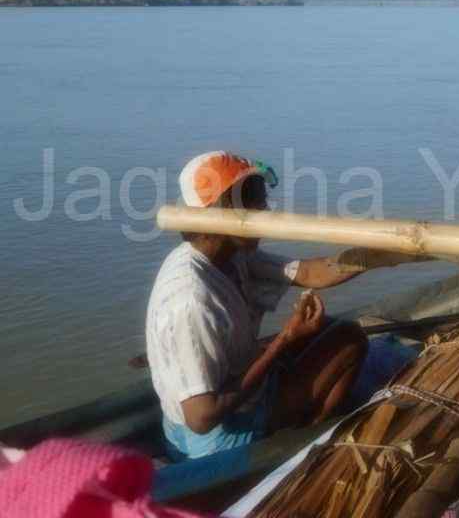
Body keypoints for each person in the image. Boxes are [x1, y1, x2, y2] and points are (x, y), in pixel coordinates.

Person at [146, 151, 370, 461]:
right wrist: (285, 339)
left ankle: (296, 416)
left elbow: (307, 272)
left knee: (329, 328)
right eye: (258, 204)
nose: (266, 213)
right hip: (218, 437)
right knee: (350, 339)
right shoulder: (191, 297)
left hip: (231, 397)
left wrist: (375, 255)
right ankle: (304, 440)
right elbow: (201, 418)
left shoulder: (230, 257)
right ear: (229, 212)